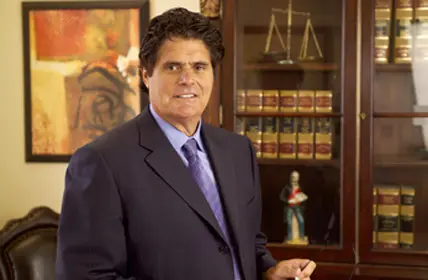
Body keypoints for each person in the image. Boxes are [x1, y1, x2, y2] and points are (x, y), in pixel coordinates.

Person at [56, 7, 316, 280]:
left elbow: (248, 242)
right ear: (146, 74)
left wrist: (268, 270)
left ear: (212, 75)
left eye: (199, 67)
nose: (187, 79)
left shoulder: (238, 150)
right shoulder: (101, 162)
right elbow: (86, 276)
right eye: (172, 66)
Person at [280, 170, 308, 244]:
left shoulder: (300, 187)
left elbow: (302, 195)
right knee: (289, 222)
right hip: (290, 207)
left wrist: (302, 198)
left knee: (301, 221)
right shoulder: (287, 187)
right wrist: (288, 201)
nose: (295, 179)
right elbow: (282, 197)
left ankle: (301, 237)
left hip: (298, 207)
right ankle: (290, 238)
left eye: (296, 177)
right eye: (293, 177)